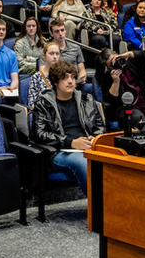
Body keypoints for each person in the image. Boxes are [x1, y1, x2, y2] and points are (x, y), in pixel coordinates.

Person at [33, 61, 105, 196]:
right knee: (84, 162)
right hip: (59, 151)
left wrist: (94, 138)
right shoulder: (43, 103)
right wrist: (70, 142)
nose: (70, 81)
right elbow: (40, 134)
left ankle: (119, 208)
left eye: (72, 77)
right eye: (65, 78)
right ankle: (100, 211)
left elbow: (100, 127)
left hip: (89, 146)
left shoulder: (86, 99)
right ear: (55, 81)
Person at [95, 48, 145, 128]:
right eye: (112, 64)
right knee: (139, 120)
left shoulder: (131, 62)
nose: (117, 63)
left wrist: (130, 54)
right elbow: (111, 100)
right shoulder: (107, 77)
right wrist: (116, 82)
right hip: (127, 106)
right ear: (107, 67)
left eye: (116, 59)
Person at [48, 19, 87, 88]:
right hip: (56, 84)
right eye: (57, 31)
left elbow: (82, 70)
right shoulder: (48, 50)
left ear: (65, 30)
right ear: (51, 34)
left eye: (62, 30)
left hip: (74, 83)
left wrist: (81, 78)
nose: (60, 34)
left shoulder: (75, 48)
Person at [28, 42, 61, 108]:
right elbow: (32, 103)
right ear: (44, 55)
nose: (55, 57)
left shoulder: (63, 75)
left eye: (57, 54)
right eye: (51, 53)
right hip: (44, 113)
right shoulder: (36, 77)